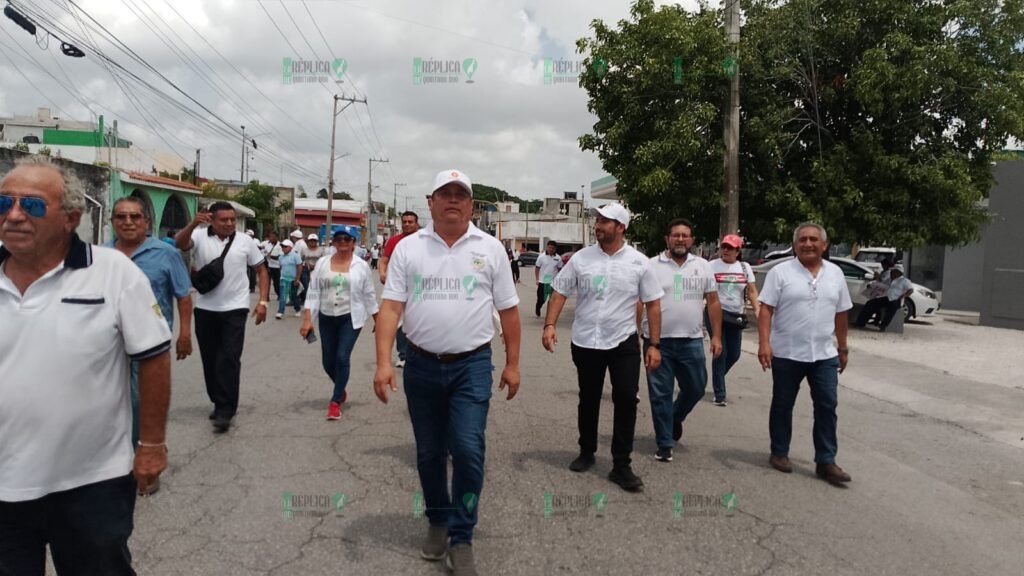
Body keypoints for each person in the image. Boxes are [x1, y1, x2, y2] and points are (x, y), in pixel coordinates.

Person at [0, 156, 172, 574]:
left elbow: (152, 355)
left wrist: (150, 444)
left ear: (70, 218)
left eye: (33, 205)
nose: (14, 216)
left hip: (92, 481)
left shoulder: (113, 272)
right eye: (4, 203)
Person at [374, 169, 521, 575]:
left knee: (470, 452)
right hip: (420, 365)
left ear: (471, 205)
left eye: (461, 194)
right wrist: (385, 362)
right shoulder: (408, 249)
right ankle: (438, 520)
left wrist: (512, 364)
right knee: (429, 453)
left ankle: (462, 536)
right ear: (431, 202)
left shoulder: (490, 249)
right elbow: (390, 308)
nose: (453, 200)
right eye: (445, 193)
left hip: (472, 365)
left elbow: (509, 310)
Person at [542, 203, 663, 492]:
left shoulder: (639, 262)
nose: (597, 226)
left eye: (604, 221)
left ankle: (621, 465)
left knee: (625, 399)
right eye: (597, 221)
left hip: (623, 342)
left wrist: (654, 343)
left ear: (621, 227)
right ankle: (587, 451)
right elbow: (559, 292)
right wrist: (549, 326)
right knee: (589, 398)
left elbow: (654, 304)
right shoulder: (581, 259)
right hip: (585, 341)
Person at [106, 196, 194, 496]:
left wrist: (185, 335)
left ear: (146, 222)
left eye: (134, 217)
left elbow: (183, 295)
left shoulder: (165, 253)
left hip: (149, 345)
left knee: (139, 401)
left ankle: (147, 456)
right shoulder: (101, 255)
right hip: (107, 343)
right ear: (113, 221)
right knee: (110, 403)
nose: (127, 222)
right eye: (121, 217)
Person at [757, 222, 853, 486]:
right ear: (795, 244)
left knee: (827, 405)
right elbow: (765, 309)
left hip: (824, 353)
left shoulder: (835, 274)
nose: (808, 244)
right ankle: (779, 452)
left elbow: (841, 312)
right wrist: (764, 344)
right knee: (783, 404)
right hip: (787, 351)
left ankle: (826, 461)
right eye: (802, 240)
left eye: (813, 239)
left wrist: (842, 347)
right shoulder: (780, 272)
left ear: (824, 244)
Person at [175, 202, 270, 433]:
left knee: (229, 358)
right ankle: (218, 401)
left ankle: (226, 409)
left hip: (235, 309)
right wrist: (193, 223)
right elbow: (180, 244)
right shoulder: (198, 236)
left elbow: (261, 270)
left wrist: (263, 301)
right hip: (206, 308)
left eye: (232, 219)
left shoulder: (245, 242)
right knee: (210, 360)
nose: (229, 223)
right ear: (212, 220)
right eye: (224, 220)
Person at [640, 218, 722, 463]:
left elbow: (714, 301)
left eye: (685, 235)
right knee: (660, 394)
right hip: (657, 341)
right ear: (667, 238)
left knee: (696, 387)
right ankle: (664, 443)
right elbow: (640, 301)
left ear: (692, 240)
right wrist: (634, 333)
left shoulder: (704, 266)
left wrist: (716, 335)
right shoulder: (651, 266)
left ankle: (675, 417)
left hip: (692, 341)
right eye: (675, 235)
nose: (680, 239)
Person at [301, 226, 379, 420]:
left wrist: (378, 319)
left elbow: (368, 294)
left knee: (342, 357)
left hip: (350, 317)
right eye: (339, 239)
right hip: (327, 316)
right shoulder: (322, 263)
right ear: (333, 242)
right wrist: (307, 319)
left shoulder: (361, 266)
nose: (343, 242)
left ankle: (335, 402)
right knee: (328, 361)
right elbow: (313, 290)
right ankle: (340, 386)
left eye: (347, 239)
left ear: (354, 243)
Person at [708, 234, 761, 406]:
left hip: (735, 315)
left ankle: (718, 376)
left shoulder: (744, 268)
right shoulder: (711, 266)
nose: (726, 250)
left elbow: (751, 291)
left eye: (730, 248)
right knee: (720, 352)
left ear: (738, 251)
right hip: (715, 313)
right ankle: (720, 394)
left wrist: (758, 310)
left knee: (734, 354)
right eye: (724, 247)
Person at [380, 211, 421, 368]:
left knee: (417, 318)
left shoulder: (423, 240)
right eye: (404, 222)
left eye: (410, 222)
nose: (407, 224)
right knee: (399, 321)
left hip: (418, 286)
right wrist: (383, 273)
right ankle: (403, 355)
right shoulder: (393, 241)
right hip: (399, 286)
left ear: (416, 223)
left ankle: (420, 352)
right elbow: (384, 260)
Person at [854, 264, 912, 332]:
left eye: (893, 271)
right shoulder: (889, 279)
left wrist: (903, 296)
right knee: (870, 303)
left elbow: (910, 290)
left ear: (898, 272)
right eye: (891, 271)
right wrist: (872, 285)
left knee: (892, 308)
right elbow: (880, 284)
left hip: (896, 299)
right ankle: (860, 323)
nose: (891, 272)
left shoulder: (905, 281)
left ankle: (883, 326)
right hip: (885, 297)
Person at [275, 239, 303, 319]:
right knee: (282, 295)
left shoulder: (295, 256)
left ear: (290, 247)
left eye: (285, 247)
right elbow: (281, 267)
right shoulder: (281, 257)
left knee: (293, 296)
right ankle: (280, 311)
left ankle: (297, 309)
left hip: (293, 279)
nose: (283, 248)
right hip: (283, 279)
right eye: (282, 246)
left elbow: (299, 267)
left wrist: (297, 279)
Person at [534, 240, 562, 317]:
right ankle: (538, 307)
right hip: (542, 281)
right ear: (547, 247)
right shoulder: (541, 257)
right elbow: (537, 268)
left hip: (552, 282)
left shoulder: (558, 258)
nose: (551, 249)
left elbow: (560, 270)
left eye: (553, 248)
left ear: (555, 249)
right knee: (541, 300)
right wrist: (537, 279)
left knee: (552, 300)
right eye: (549, 248)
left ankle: (550, 314)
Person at [299, 233, 324, 305]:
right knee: (306, 286)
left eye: (314, 241)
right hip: (307, 269)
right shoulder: (304, 250)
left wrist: (316, 265)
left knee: (316, 287)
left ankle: (317, 301)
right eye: (311, 241)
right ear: (308, 241)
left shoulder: (321, 250)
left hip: (318, 270)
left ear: (317, 241)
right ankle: (308, 301)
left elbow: (323, 260)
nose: (312, 242)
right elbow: (301, 260)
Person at [262, 230, 283, 301]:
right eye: (270, 237)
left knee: (276, 283)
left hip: (277, 267)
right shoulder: (266, 244)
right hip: (268, 266)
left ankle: (279, 295)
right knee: (266, 282)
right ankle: (266, 296)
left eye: (273, 237)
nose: (271, 238)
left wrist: (270, 256)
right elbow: (258, 246)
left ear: (276, 237)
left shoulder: (280, 245)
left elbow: (279, 257)